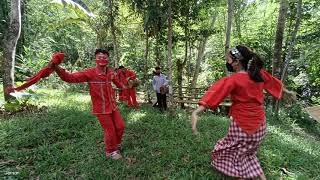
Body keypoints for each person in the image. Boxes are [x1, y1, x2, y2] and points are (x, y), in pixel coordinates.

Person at [191, 45, 284, 180]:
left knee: (232, 152)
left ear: (236, 61)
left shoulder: (233, 80)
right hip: (260, 127)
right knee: (248, 154)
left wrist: (196, 112)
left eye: (228, 59)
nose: (227, 62)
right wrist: (287, 92)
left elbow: (215, 93)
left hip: (242, 126)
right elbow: (276, 85)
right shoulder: (259, 74)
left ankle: (241, 175)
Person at [49, 48, 126, 160]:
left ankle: (116, 145)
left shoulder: (110, 72)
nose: (102, 59)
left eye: (104, 57)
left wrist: (123, 86)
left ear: (108, 59)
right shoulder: (90, 73)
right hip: (100, 108)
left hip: (112, 106)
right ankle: (110, 151)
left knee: (120, 126)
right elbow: (70, 78)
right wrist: (56, 68)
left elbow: (116, 82)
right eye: (99, 57)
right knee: (110, 130)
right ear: (95, 59)